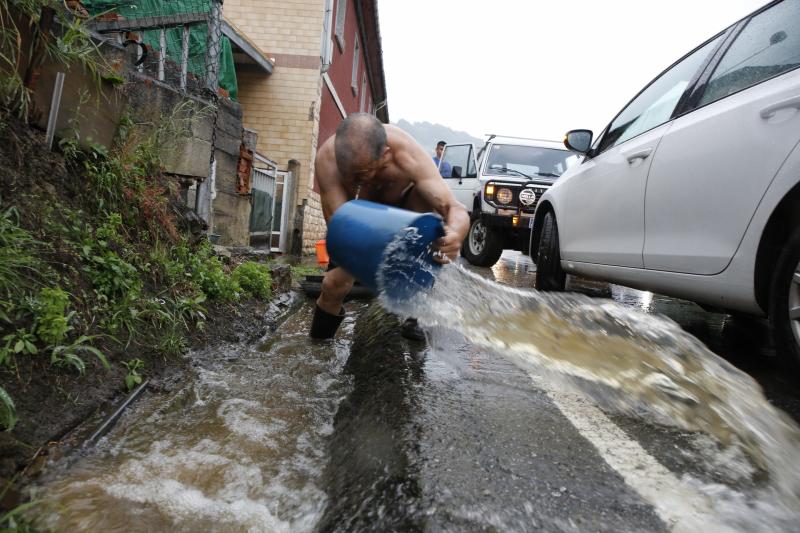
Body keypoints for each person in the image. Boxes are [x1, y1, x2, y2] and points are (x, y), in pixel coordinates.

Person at [310, 114, 470, 341]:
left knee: (426, 202)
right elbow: (340, 227)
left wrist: (454, 234)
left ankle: (415, 313)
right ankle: (319, 341)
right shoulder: (328, 161)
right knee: (333, 285)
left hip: (403, 217)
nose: (358, 182)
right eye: (350, 176)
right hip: (355, 221)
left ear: (385, 154)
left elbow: (454, 208)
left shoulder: (407, 153)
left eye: (363, 174)